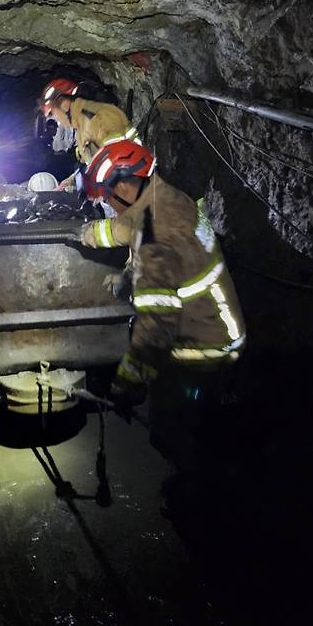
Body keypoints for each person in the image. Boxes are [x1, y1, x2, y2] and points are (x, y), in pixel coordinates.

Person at [79, 139, 246, 470]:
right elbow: (134, 234)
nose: (110, 205)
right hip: (222, 322)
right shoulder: (166, 195)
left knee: (173, 431)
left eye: (108, 197)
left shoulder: (154, 235)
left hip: (201, 346)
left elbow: (156, 327)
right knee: (202, 425)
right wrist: (125, 269)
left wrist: (126, 384)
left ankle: (194, 496)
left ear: (124, 186)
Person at [39, 78, 140, 188]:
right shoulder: (81, 126)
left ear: (65, 104)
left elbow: (119, 162)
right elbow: (88, 164)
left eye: (53, 113)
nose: (57, 119)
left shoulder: (98, 120)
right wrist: (69, 182)